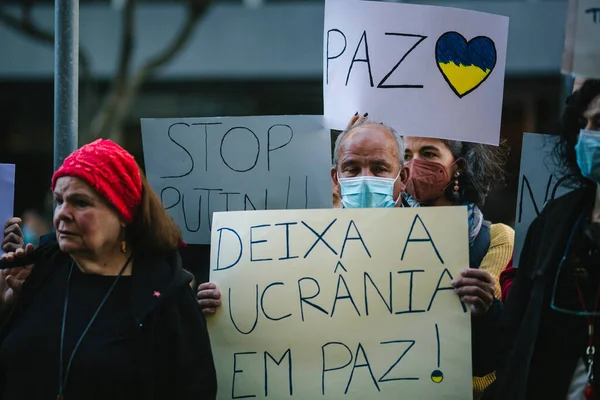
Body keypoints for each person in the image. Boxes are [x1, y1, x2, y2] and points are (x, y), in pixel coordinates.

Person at [0, 139, 217, 399]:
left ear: (123, 213)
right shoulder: (36, 273)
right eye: (59, 201)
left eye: (80, 203)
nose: (62, 214)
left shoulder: (164, 295)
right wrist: (5, 308)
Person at [493, 79, 600, 399]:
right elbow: (517, 327)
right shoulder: (556, 220)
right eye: (584, 123)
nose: (588, 135)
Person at [402, 136, 513, 398]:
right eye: (406, 155)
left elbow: (499, 343)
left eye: (428, 154)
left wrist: (485, 308)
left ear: (459, 166)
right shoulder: (376, 232)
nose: (414, 164)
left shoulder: (497, 238)